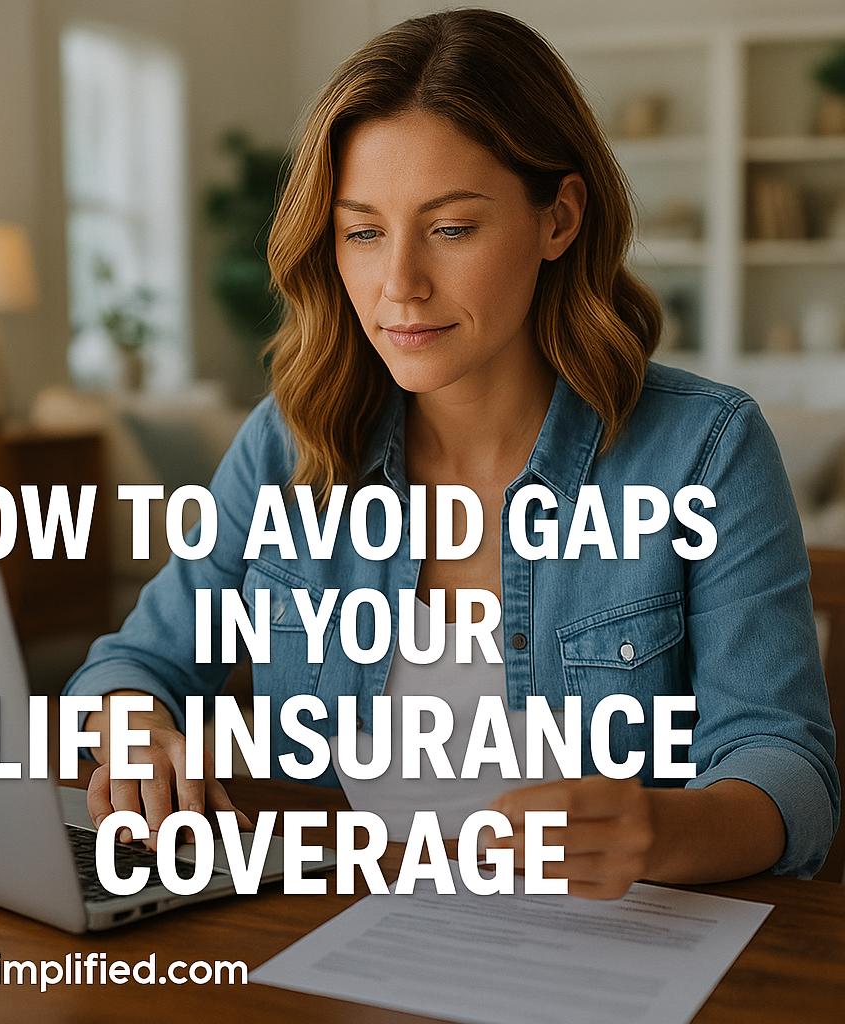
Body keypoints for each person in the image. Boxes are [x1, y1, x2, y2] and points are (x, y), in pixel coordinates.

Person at [65, 9, 838, 898]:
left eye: (453, 227)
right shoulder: (291, 442)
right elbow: (134, 662)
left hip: (606, 958)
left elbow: (789, 771)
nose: (400, 285)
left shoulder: (705, 450)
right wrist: (136, 732)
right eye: (362, 232)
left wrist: (663, 830)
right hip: (326, 941)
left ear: (560, 218)